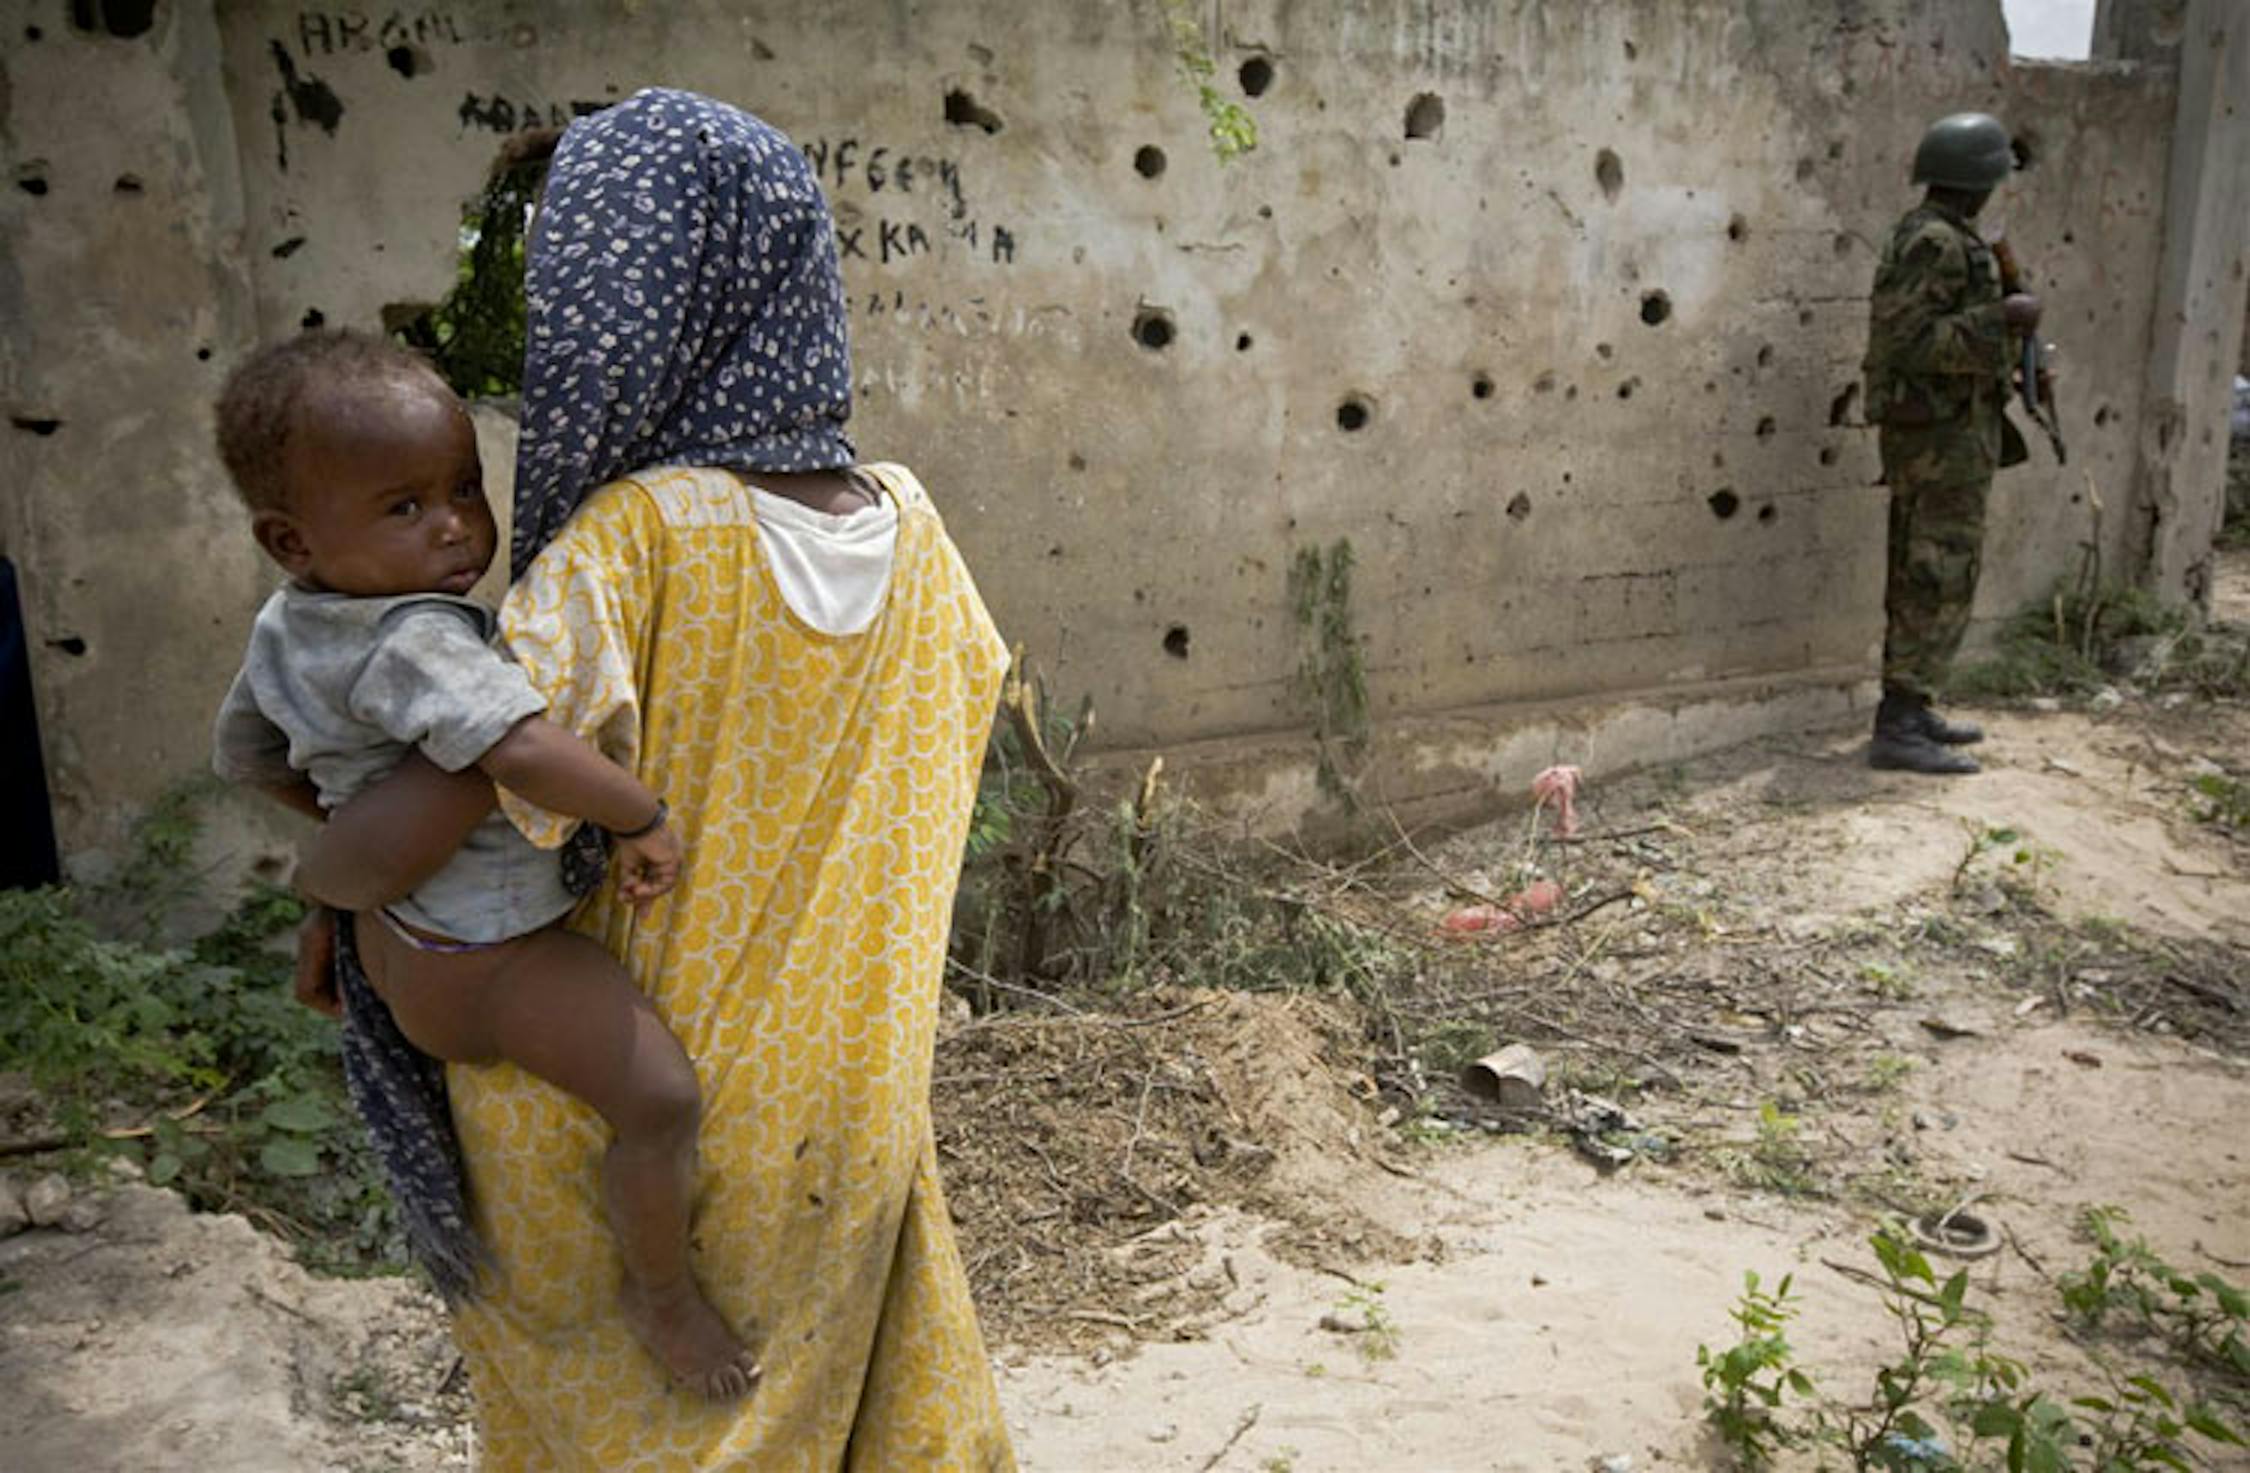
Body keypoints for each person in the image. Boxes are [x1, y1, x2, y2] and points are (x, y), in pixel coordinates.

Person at [289, 89, 1016, 1468]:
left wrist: (322, 890)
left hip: (619, 1125)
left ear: (634, 309)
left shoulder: (629, 547)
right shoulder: (919, 534)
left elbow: (416, 830)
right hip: (845, 1118)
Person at [206, 331, 762, 1399]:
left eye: (463, 486)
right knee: (659, 1102)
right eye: (403, 507)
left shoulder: (286, 630)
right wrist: (641, 813)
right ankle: (664, 1294)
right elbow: (514, 745)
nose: (457, 525)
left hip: (404, 945)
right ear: (290, 537)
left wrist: (349, 830)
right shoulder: (418, 639)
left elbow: (247, 755)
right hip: (495, 961)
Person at [1861, 111, 2044, 775]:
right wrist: (2002, 320)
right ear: (1980, 180)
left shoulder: (1947, 237)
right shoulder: (1934, 243)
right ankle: (1899, 722)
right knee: (1932, 571)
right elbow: (1907, 342)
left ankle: (1914, 704)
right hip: (1935, 440)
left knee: (1939, 568)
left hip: (1952, 435)